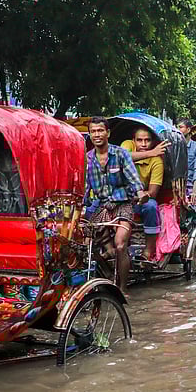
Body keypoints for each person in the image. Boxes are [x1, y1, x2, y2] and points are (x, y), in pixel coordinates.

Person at [84, 116, 146, 292]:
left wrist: (140, 192)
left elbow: (133, 179)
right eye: (93, 131)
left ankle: (122, 288)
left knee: (120, 245)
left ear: (107, 133)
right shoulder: (87, 159)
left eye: (100, 130)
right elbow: (84, 188)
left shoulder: (120, 154)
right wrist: (80, 206)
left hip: (123, 204)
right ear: (90, 135)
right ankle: (106, 275)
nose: (97, 134)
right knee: (85, 243)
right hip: (102, 206)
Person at [120, 128, 163, 263]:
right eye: (140, 140)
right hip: (120, 198)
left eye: (147, 140)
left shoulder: (156, 161)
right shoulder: (127, 144)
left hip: (140, 201)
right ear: (134, 141)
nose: (143, 144)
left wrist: (141, 196)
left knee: (151, 206)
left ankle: (148, 250)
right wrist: (151, 153)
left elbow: (152, 193)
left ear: (152, 142)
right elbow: (123, 156)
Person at [177, 119, 196, 217]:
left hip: (194, 186)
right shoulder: (175, 147)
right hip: (178, 187)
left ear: (188, 130)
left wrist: (194, 192)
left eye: (180, 127)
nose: (178, 130)